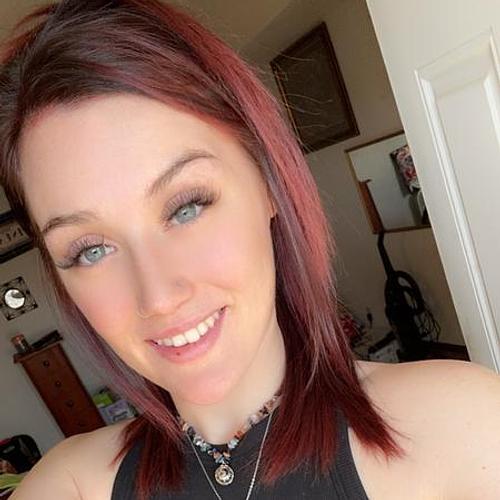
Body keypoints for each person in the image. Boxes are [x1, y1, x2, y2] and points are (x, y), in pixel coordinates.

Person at [2, 1, 499, 499]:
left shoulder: (462, 429)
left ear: (267, 183)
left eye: (187, 207)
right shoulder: (69, 484)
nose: (158, 297)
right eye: (90, 250)